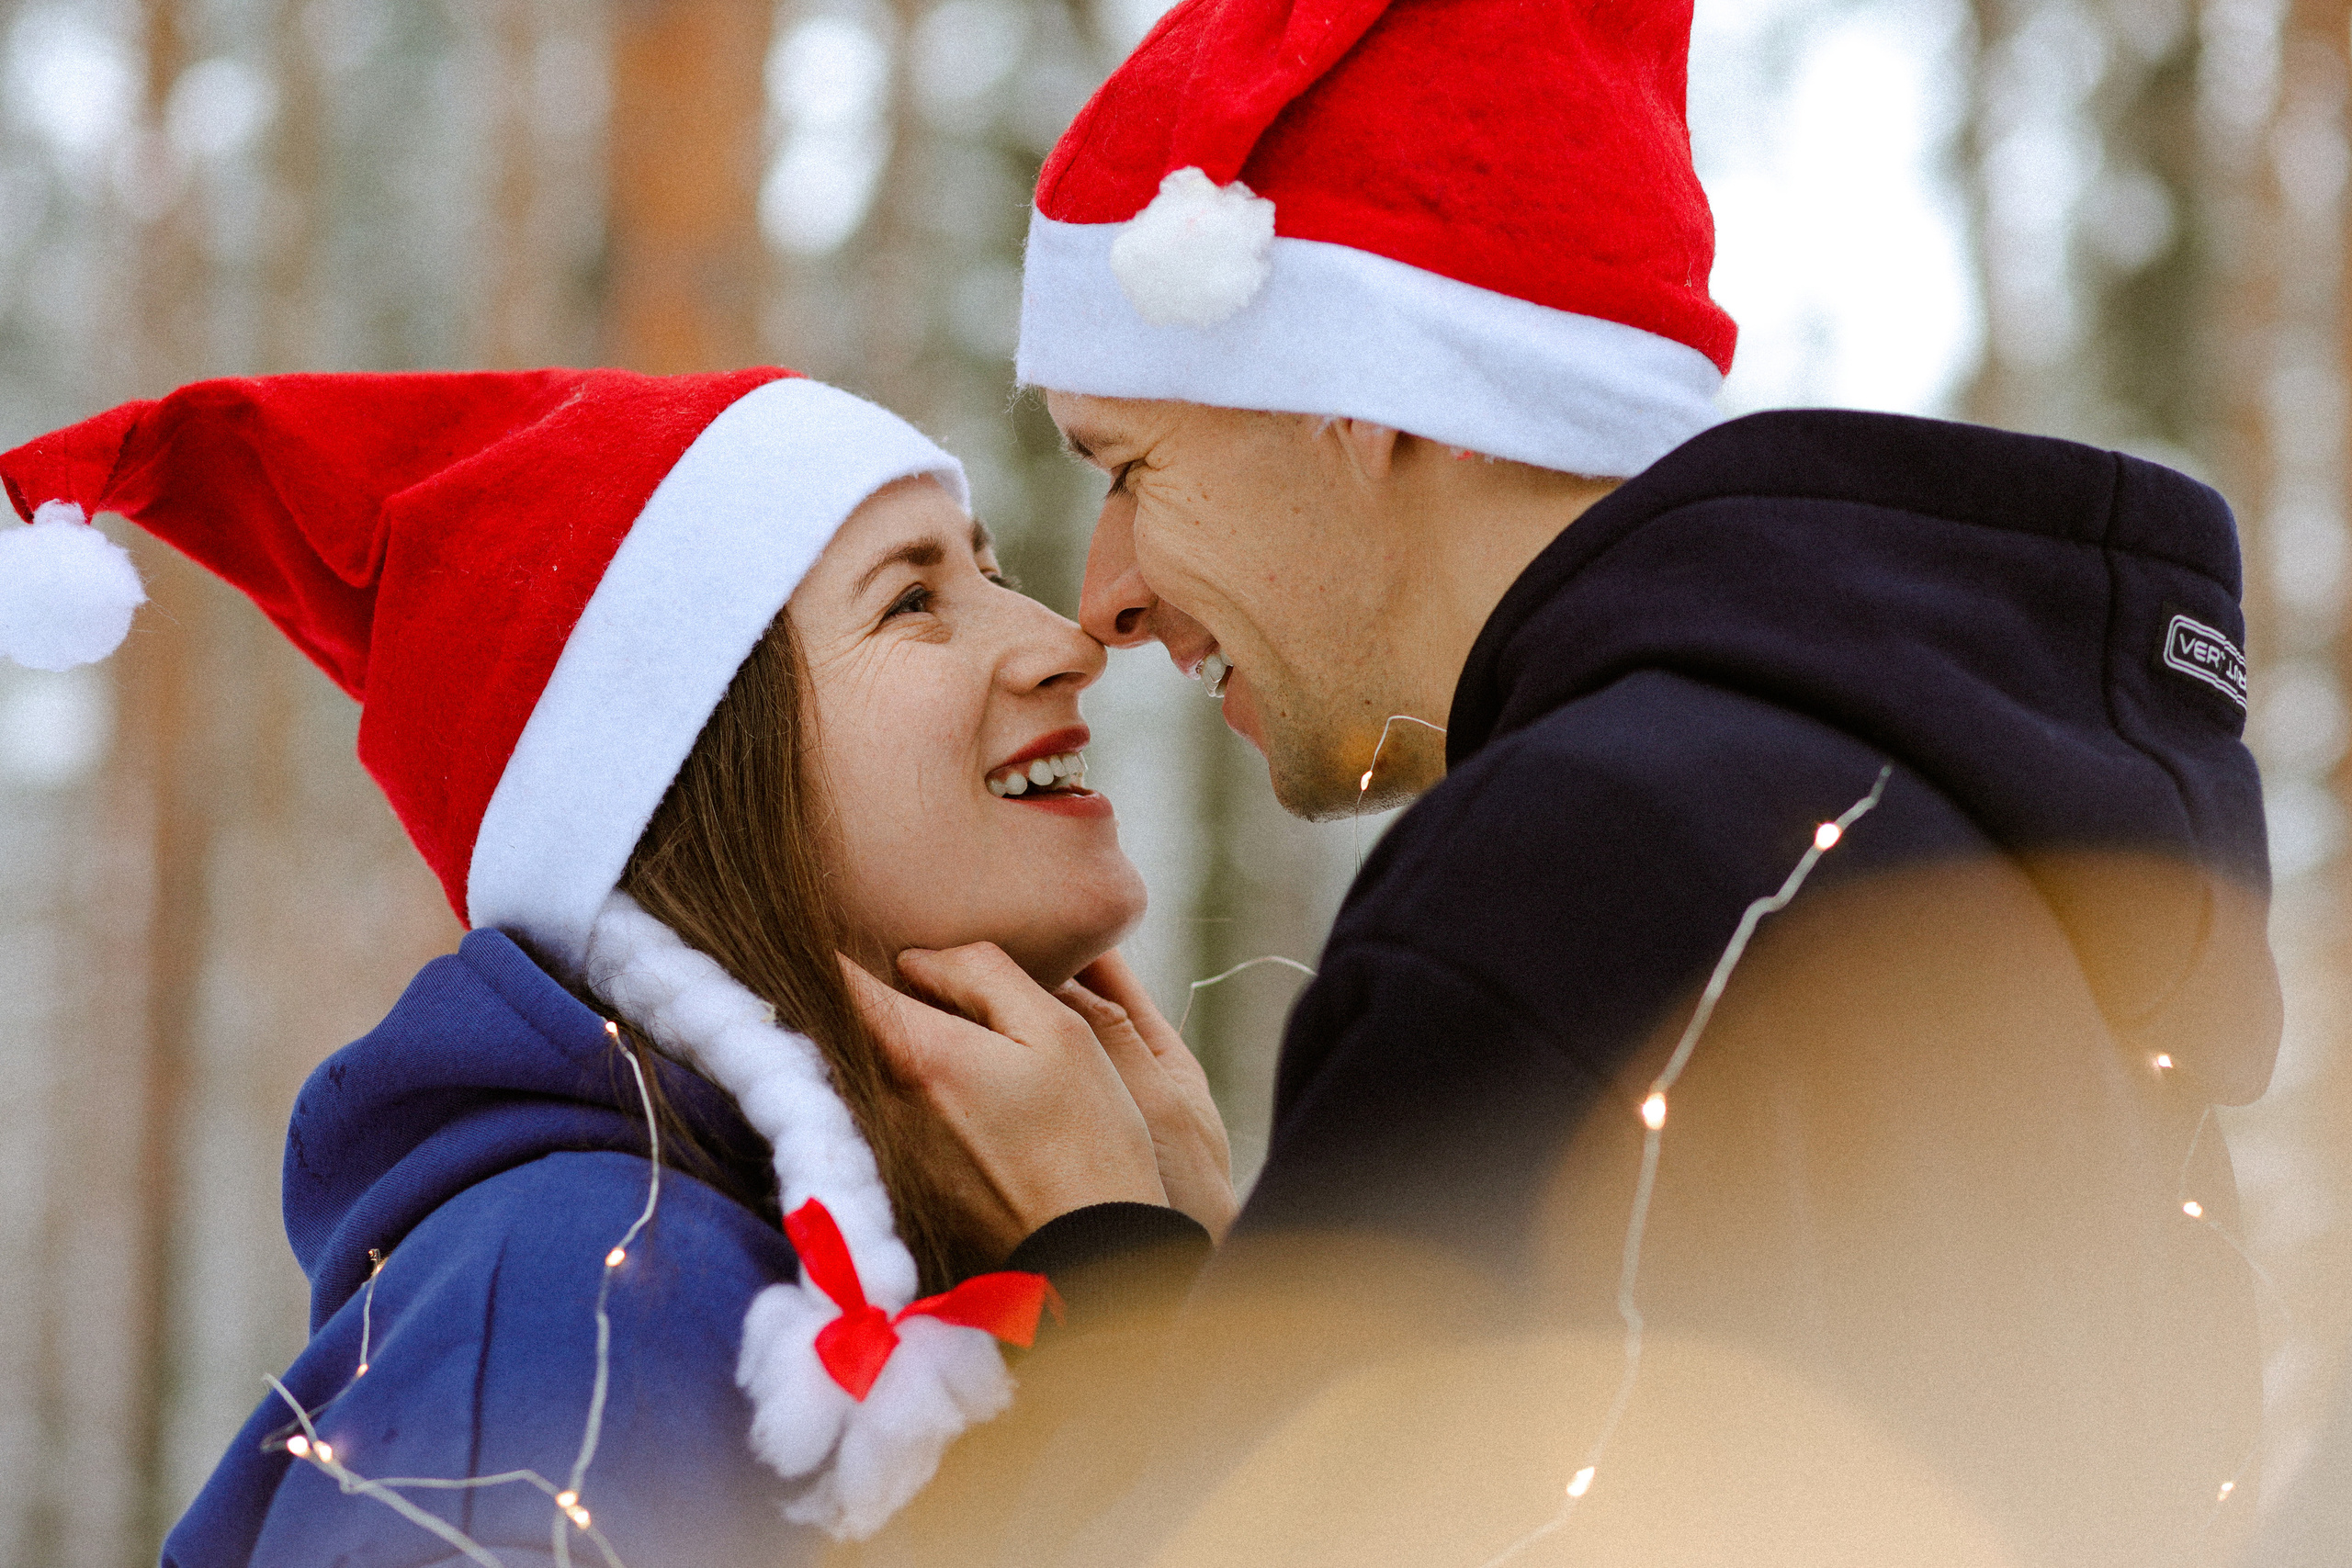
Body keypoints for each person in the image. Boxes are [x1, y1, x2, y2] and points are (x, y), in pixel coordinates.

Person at [856, 2, 2284, 1564]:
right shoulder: (1964, 838)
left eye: (1131, 468)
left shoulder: (1574, 872)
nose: (1106, 595)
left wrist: (1106, 1268)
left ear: (1364, 396)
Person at [0, 367, 1233, 1565]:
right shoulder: (574, 1307)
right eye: (912, 601)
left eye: (997, 572)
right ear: (686, 781)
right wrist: (1125, 1299)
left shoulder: (923, 1241)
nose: (1063, 639)